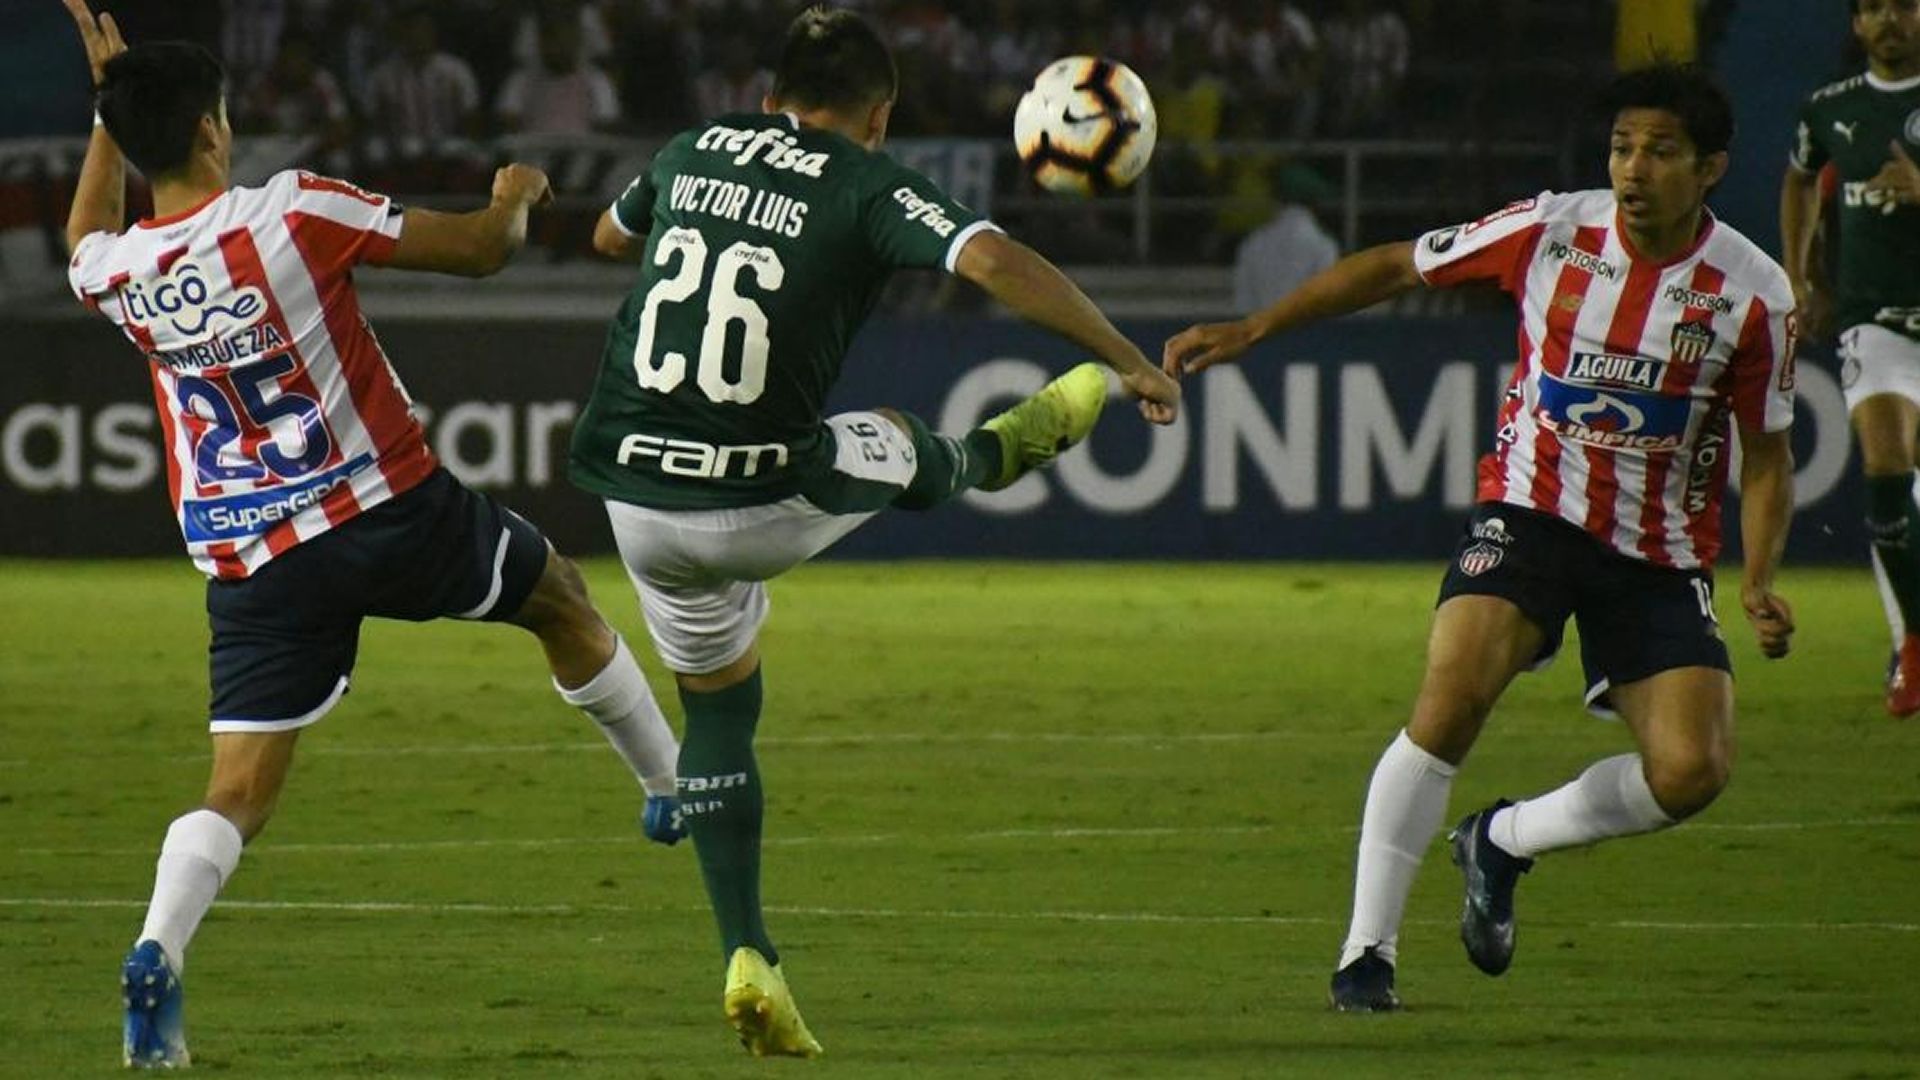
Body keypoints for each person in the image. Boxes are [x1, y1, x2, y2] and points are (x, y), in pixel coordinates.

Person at [57, 4, 683, 1068]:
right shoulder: (290, 214)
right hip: (383, 508)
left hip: (251, 557)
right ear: (213, 131)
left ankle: (159, 945)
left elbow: (80, 237)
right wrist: (514, 195)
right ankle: (673, 786)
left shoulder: (115, 274)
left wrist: (111, 116)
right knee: (558, 598)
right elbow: (483, 253)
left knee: (238, 791)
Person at [571, 5, 1180, 1057]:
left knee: (720, 703)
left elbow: (606, 237)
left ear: (769, 98)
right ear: (880, 116)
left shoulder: (693, 144)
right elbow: (993, 265)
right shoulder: (865, 181)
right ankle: (1016, 443)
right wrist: (1126, 353)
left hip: (629, 495)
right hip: (754, 494)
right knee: (901, 442)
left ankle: (748, 950)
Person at [1165, 62, 1797, 1011]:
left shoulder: (1756, 296)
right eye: (1623, 146)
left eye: (1660, 152)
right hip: (1532, 512)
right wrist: (1258, 327)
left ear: (1710, 169)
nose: (1633, 168)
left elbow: (1767, 455)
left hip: (1659, 551)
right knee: (1453, 693)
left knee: (1691, 772)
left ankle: (1502, 841)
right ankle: (1365, 953)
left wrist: (1758, 578)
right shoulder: (1551, 229)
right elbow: (1392, 264)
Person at [1780, 0, 1920, 715]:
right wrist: (1799, 275)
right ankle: (1914, 643)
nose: (1888, 19)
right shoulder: (1829, 109)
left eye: (1903, 5)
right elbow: (1800, 178)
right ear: (1857, 24)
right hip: (1875, 322)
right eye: (1872, 7)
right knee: (1888, 477)